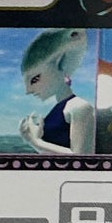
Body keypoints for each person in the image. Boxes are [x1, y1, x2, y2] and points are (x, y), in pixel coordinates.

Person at [18, 27, 94, 155]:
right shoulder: (59, 108)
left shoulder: (80, 107)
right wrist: (32, 141)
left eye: (35, 79)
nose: (28, 91)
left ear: (60, 63)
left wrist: (36, 141)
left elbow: (81, 158)